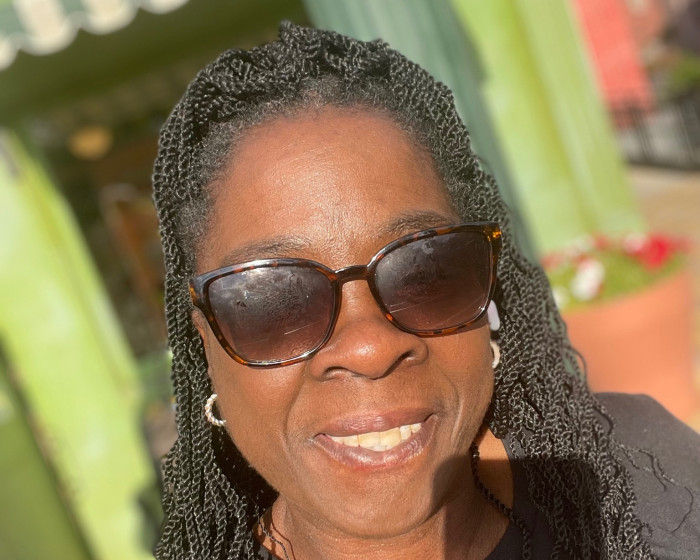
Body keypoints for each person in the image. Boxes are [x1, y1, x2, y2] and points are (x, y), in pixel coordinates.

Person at [151, 22, 699, 560]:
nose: (370, 347)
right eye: (275, 301)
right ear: (206, 342)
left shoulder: (649, 473)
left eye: (423, 272)